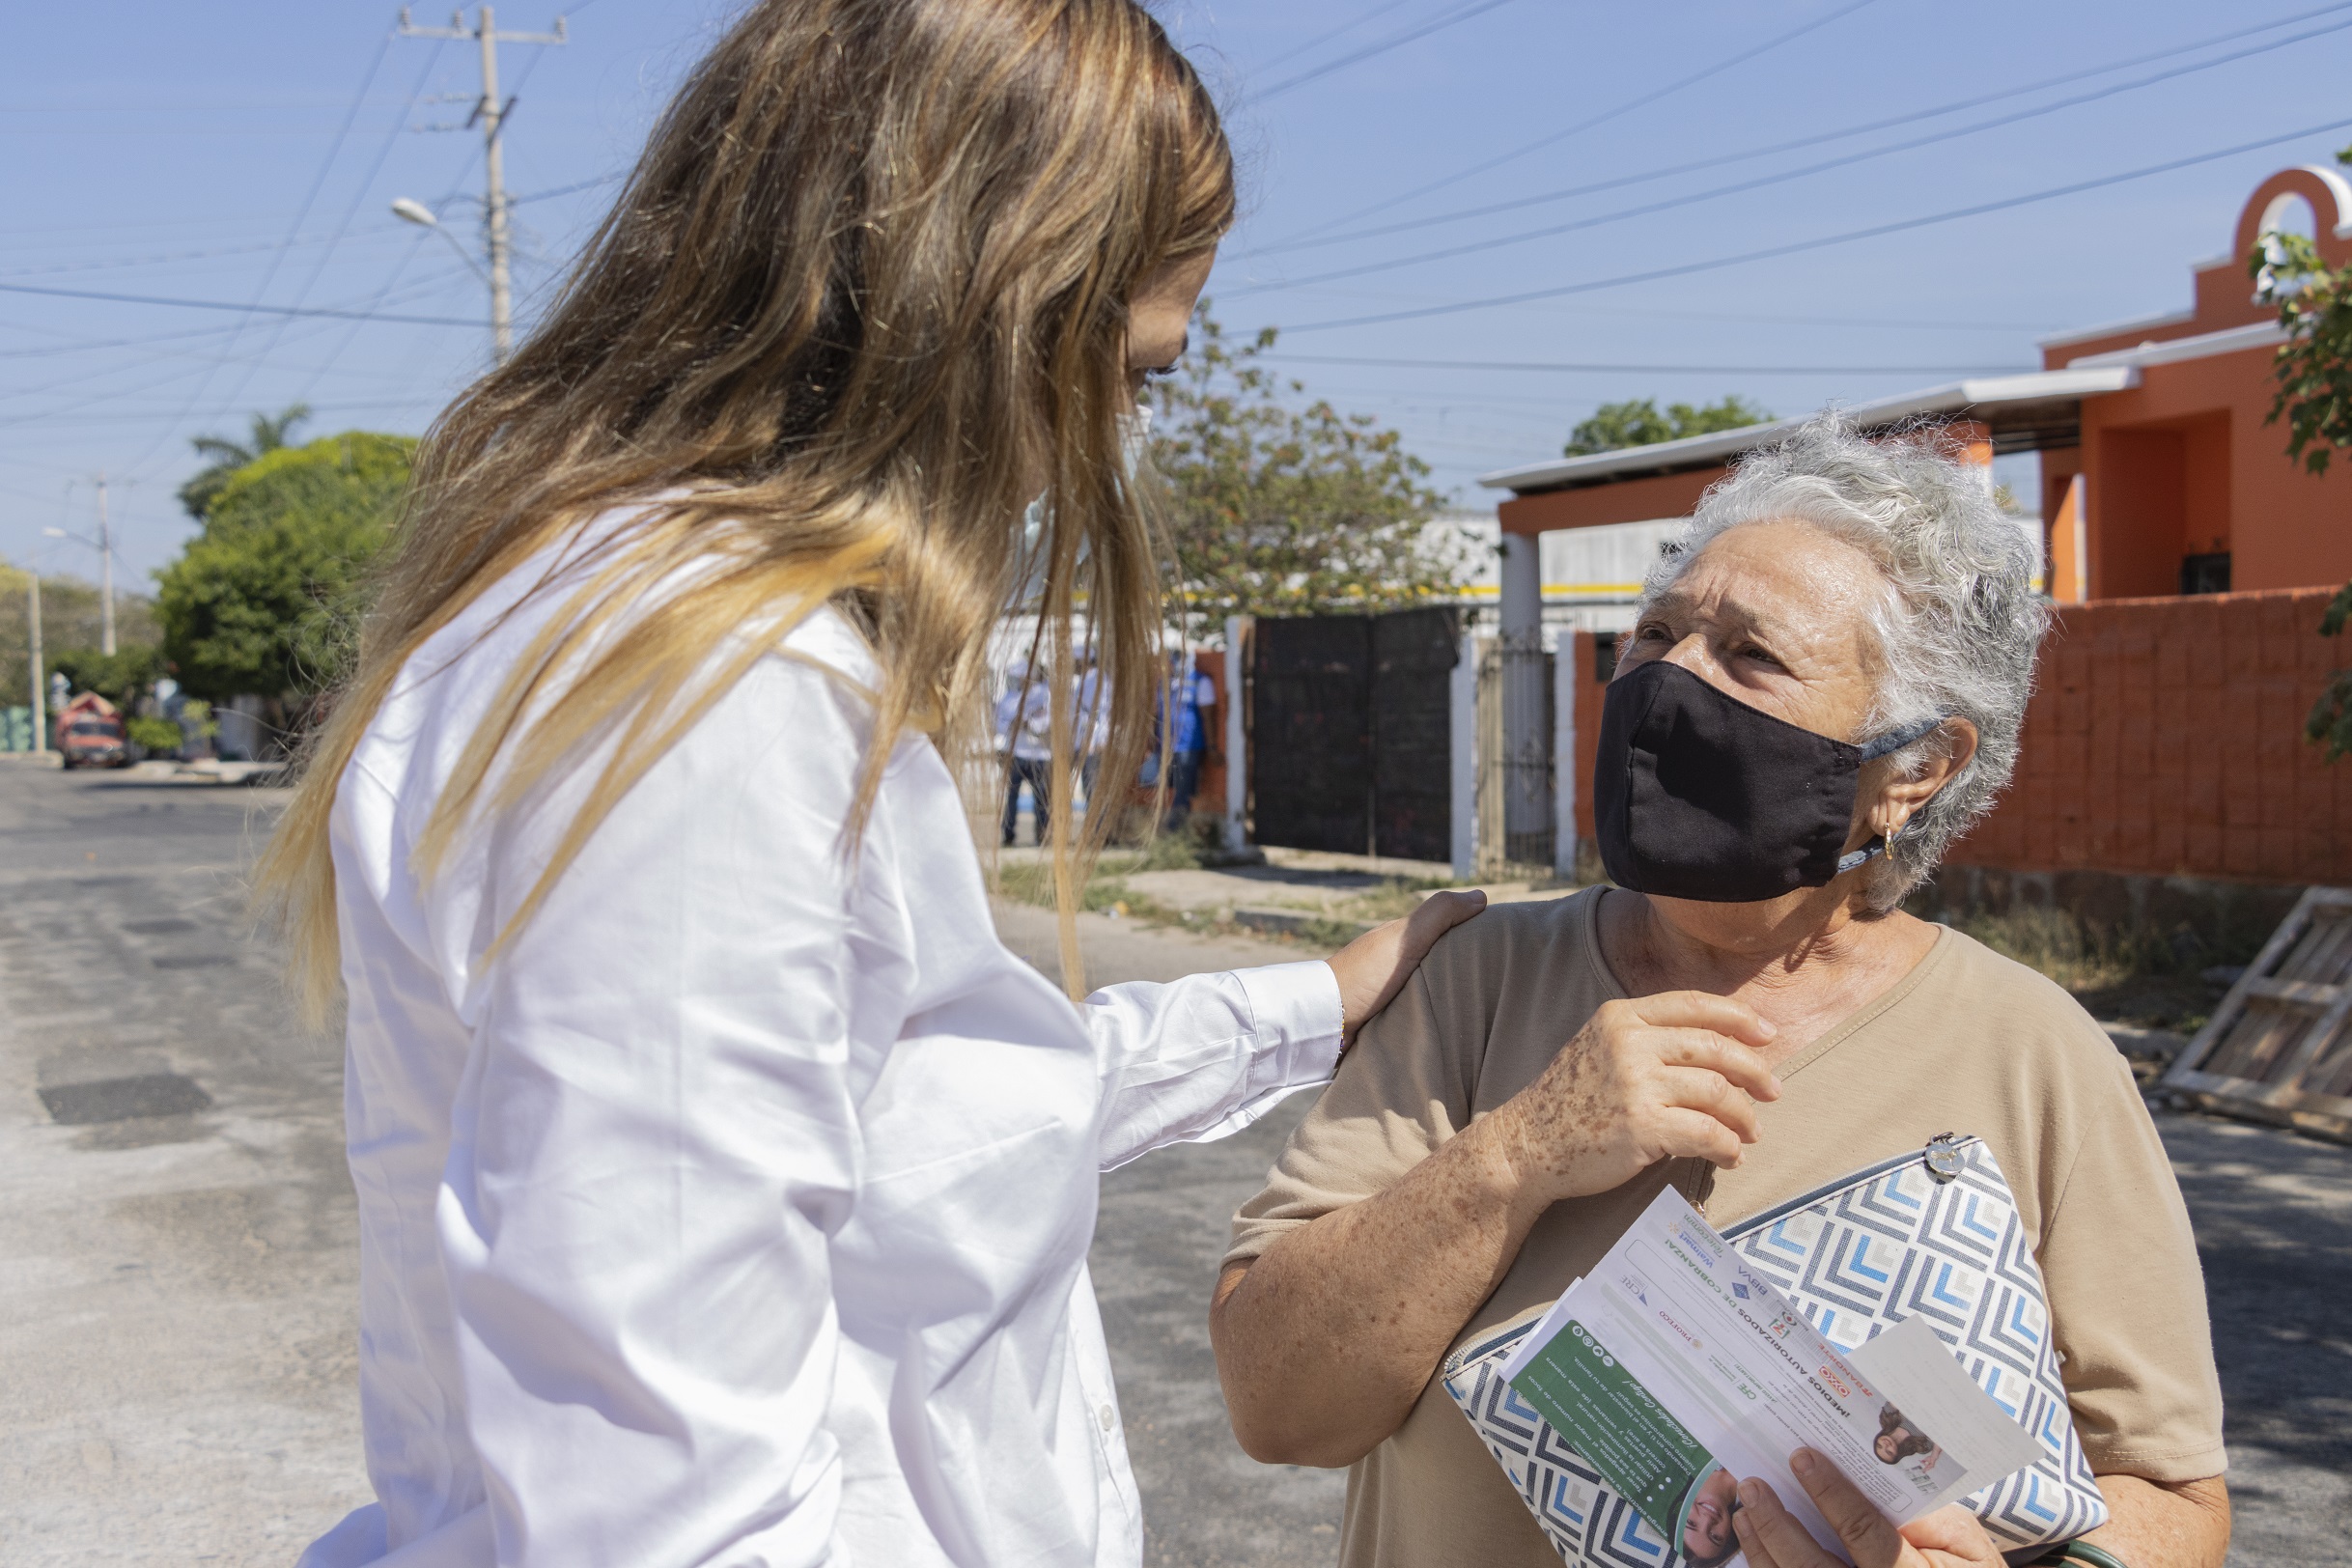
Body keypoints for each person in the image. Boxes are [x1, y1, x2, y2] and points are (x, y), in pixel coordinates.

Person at [255, 6, 1484, 1565]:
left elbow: (898, 1119)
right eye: (1134, 369)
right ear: (991, 305)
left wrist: (1313, 1003)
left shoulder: (633, 623)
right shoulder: (711, 693)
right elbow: (664, 1509)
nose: (1103, 440)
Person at [1209, 417, 2232, 1568]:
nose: (1668, 679)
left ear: (1914, 768)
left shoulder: (2034, 1054)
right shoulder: (1478, 982)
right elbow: (1275, 1403)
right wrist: (1521, 1150)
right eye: (1658, 632)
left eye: (1750, 655)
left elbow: (2171, 1497)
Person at [998, 655, 1057, 847]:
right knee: (1012, 795)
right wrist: (1016, 724)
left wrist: (1028, 724)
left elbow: (1046, 722)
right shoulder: (1008, 699)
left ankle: (1043, 833)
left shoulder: (1044, 695)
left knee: (1041, 796)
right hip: (1015, 754)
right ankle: (1008, 833)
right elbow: (998, 724)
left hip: (1039, 755)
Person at [1154, 650, 1214, 829]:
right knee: (1167, 788)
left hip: (1188, 746)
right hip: (1165, 747)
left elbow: (1208, 716)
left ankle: (1175, 833)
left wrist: (1212, 746)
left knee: (1183, 790)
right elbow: (1157, 715)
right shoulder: (1165, 684)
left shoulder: (1200, 681)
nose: (1174, 662)